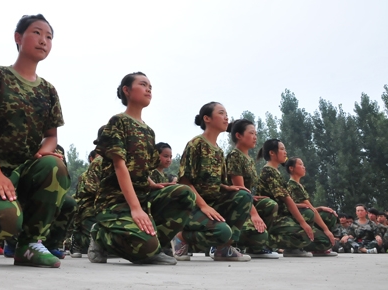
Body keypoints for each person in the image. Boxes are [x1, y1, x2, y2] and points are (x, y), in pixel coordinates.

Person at [0, 14, 70, 268]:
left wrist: (44, 152)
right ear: (18, 38)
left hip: (25, 171)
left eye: (49, 37)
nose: (44, 40)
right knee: (5, 219)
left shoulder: (48, 90)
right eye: (37, 33)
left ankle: (29, 244)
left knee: (55, 166)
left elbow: (51, 136)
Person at [88, 72, 195, 265]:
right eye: (143, 85)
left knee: (184, 194)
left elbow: (139, 167)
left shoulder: (148, 131)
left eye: (151, 87)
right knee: (145, 249)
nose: (148, 90)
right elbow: (120, 165)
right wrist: (135, 209)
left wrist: (151, 183)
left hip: (143, 198)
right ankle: (100, 234)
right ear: (126, 90)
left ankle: (157, 243)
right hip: (116, 202)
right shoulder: (117, 122)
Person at [171, 102, 252, 262]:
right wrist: (203, 205)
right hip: (192, 207)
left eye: (226, 113)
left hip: (212, 203)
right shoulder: (196, 145)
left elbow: (216, 183)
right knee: (222, 232)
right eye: (221, 113)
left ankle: (224, 248)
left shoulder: (219, 151)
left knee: (243, 195)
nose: (226, 117)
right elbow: (185, 181)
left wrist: (228, 187)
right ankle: (181, 237)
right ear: (207, 118)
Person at [225, 119, 278, 259]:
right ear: (239, 135)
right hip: (232, 204)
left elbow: (247, 190)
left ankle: (256, 247)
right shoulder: (235, 156)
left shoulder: (248, 158)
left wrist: (254, 199)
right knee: (259, 235)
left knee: (270, 204)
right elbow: (240, 189)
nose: (255, 137)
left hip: (245, 199)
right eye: (251, 133)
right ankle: (223, 242)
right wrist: (254, 214)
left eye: (256, 133)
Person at [254, 139, 315, 257]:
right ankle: (261, 243)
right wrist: (303, 223)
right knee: (304, 233)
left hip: (281, 214)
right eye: (282, 149)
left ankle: (292, 248)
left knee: (308, 213)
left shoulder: (276, 171)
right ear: (272, 153)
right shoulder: (268, 171)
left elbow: (282, 199)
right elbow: (286, 199)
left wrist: (299, 207)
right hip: (273, 217)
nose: (285, 152)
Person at [285, 157, 337, 256]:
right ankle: (295, 246)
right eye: (300, 164)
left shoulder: (299, 185)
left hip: (305, 216)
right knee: (326, 242)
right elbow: (309, 209)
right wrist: (326, 230)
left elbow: (306, 207)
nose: (304, 167)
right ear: (291, 168)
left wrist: (321, 208)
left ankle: (315, 244)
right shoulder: (293, 186)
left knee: (329, 215)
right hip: (296, 221)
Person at [70, 127, 105, 258]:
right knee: (92, 245)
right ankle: (77, 238)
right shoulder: (98, 162)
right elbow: (92, 190)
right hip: (93, 207)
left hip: (112, 204)